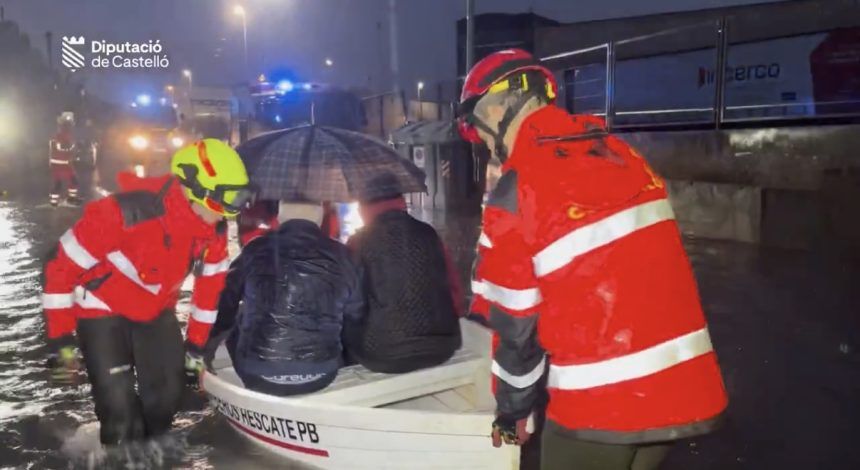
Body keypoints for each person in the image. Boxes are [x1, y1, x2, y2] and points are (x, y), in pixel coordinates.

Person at [457, 49, 728, 470]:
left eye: (480, 132)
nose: (488, 147)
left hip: (599, 406)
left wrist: (512, 416)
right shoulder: (622, 155)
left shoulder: (518, 188)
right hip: (686, 394)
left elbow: (514, 328)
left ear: (493, 109)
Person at [41, 139, 254, 445]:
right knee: (120, 413)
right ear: (194, 188)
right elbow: (58, 268)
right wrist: (61, 340)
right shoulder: (121, 213)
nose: (228, 215)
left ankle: (149, 453)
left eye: (238, 201)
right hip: (100, 309)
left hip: (155, 310)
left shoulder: (212, 233)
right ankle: (118, 453)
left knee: (167, 400)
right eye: (225, 201)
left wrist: (195, 348)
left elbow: (208, 295)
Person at [204, 200, 363, 396]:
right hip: (321, 373)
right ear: (320, 217)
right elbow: (357, 314)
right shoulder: (343, 255)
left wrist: (208, 349)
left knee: (240, 313)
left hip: (257, 374)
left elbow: (224, 304)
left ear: (279, 217)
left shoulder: (254, 249)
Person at [344, 193, 463, 373]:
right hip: (442, 346)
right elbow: (453, 289)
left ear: (363, 209)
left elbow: (352, 303)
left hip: (381, 354)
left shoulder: (358, 241)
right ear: (401, 201)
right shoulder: (428, 232)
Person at [49, 113, 80, 206]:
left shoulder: (57, 135)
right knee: (72, 181)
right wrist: (73, 152)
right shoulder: (64, 136)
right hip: (63, 163)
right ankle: (70, 199)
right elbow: (65, 148)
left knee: (58, 182)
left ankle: (54, 201)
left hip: (58, 163)